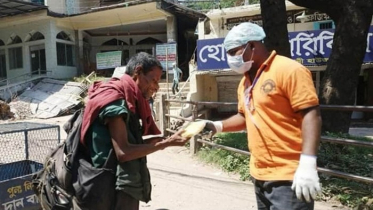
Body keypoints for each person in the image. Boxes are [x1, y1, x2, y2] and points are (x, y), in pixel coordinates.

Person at [204, 22, 322, 210]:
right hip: (260, 173)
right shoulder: (245, 82)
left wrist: (308, 163)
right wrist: (216, 126)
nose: (231, 58)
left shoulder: (289, 70)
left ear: (252, 45)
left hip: (288, 175)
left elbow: (311, 114)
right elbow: (245, 116)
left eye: (234, 51)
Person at [80, 52, 190, 210]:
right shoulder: (115, 100)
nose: (156, 87)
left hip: (120, 181)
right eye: (153, 80)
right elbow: (123, 152)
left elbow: (121, 143)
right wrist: (167, 143)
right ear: (138, 72)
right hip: (110, 186)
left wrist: (152, 142)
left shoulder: (128, 97)